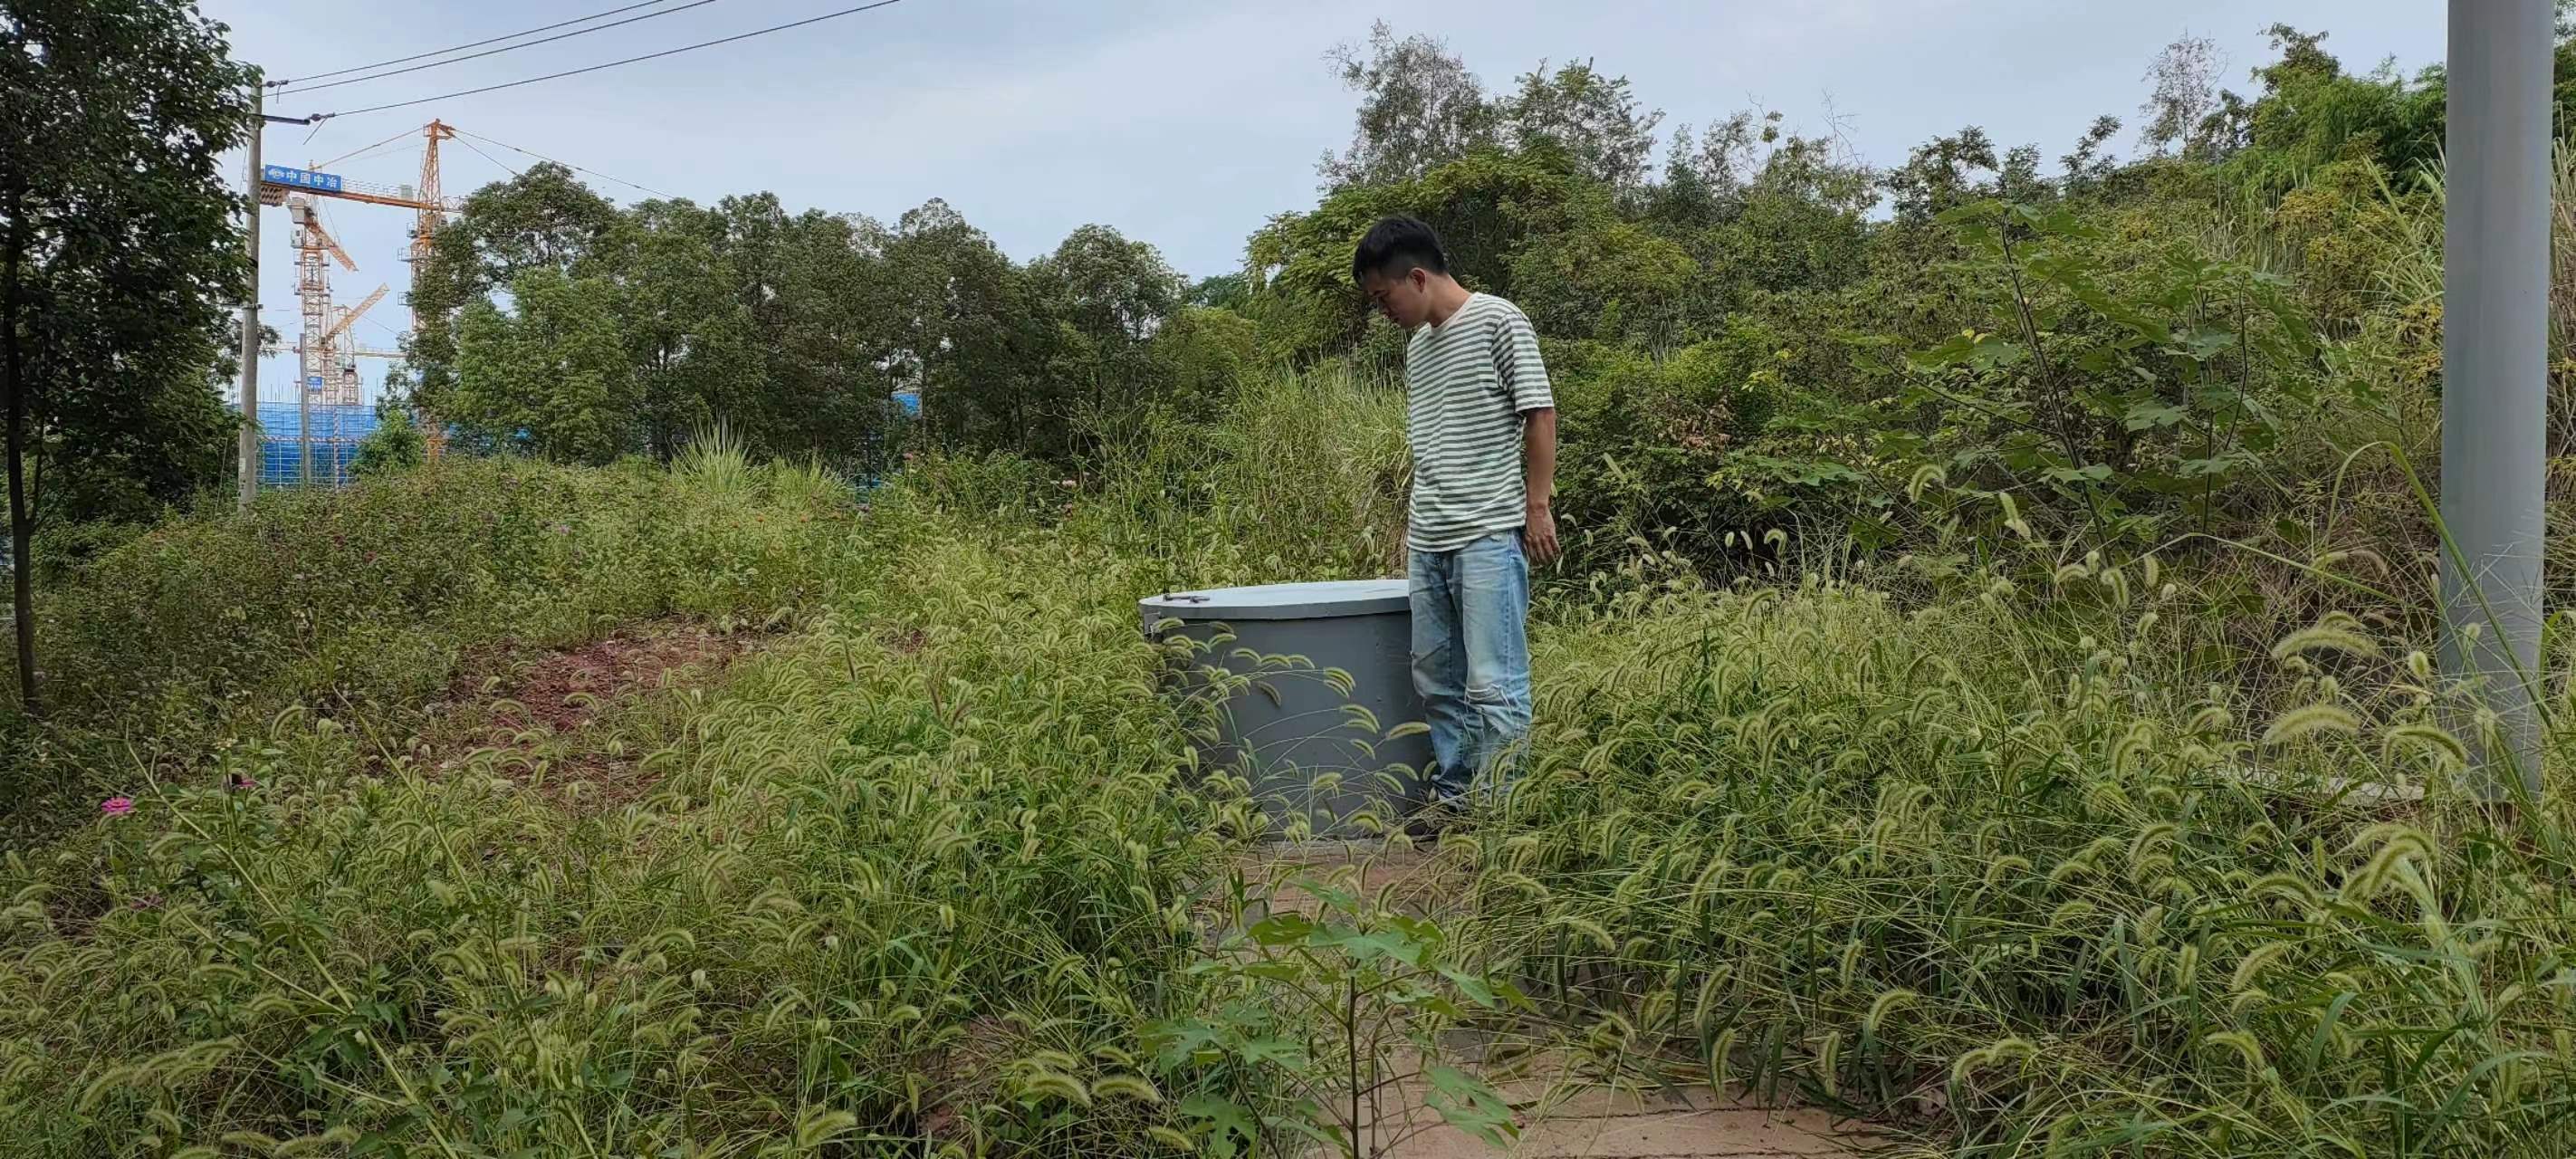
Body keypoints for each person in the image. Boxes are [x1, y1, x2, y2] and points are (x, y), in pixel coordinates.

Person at [1350, 215, 1558, 835]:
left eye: (1384, 297)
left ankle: (1502, 816)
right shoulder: (1418, 347)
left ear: (1417, 278)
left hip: (1488, 533)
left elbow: (1539, 415)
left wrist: (1537, 507)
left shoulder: (1499, 321)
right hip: (1429, 537)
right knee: (1437, 683)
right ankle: (1457, 802)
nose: (1382, 311)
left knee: (1494, 683)